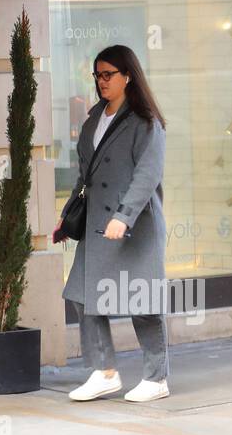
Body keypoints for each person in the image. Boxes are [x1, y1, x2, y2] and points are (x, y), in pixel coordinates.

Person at [56, 44, 170, 403]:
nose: (101, 81)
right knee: (81, 295)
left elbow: (147, 175)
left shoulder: (145, 122)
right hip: (95, 224)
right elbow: (86, 174)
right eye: (97, 75)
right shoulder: (93, 118)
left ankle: (156, 377)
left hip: (135, 226)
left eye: (108, 74)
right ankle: (103, 371)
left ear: (128, 76)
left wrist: (124, 216)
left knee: (143, 302)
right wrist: (67, 214)